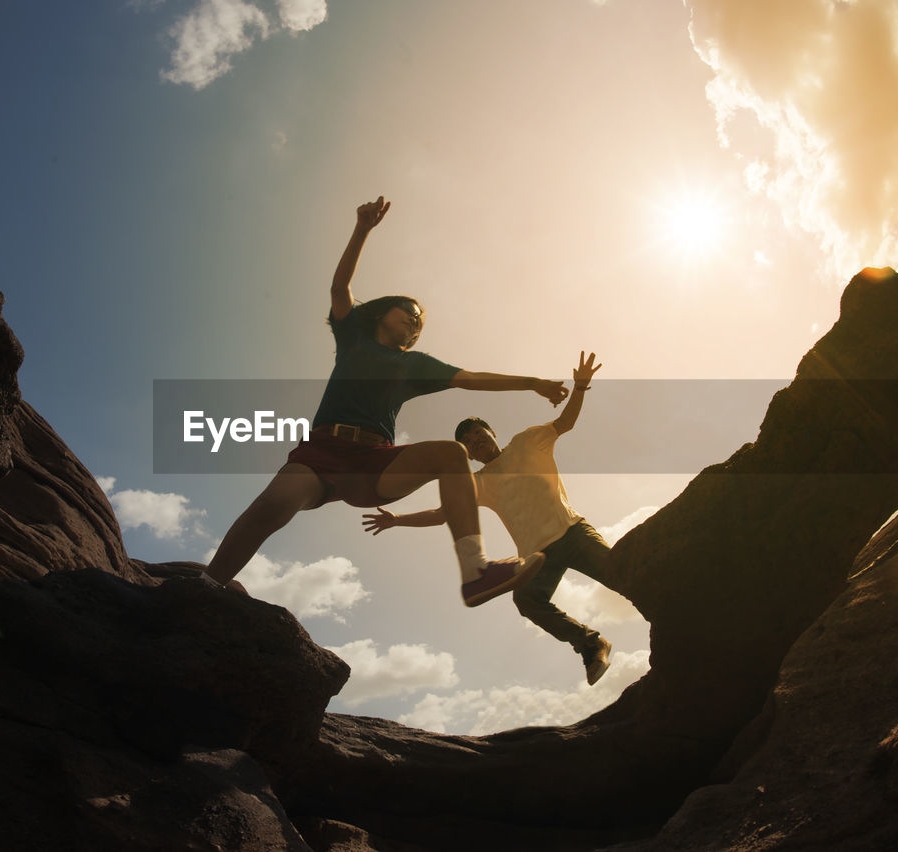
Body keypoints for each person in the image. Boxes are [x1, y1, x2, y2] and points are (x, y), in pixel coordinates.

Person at [204, 196, 571, 607]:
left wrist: (533, 382)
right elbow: (340, 288)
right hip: (322, 454)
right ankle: (205, 585)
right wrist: (362, 229)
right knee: (272, 507)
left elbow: (473, 379)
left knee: (452, 454)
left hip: (374, 462)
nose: (415, 321)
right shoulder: (354, 340)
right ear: (382, 313)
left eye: (420, 322)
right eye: (409, 312)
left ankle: (475, 572)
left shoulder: (415, 365)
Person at [362, 352, 615, 685]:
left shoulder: (527, 442)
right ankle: (591, 643)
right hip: (539, 556)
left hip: (573, 532)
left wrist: (580, 387)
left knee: (621, 573)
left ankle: (672, 608)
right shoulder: (477, 482)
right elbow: (443, 515)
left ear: (492, 432)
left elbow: (565, 423)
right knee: (526, 600)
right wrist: (397, 519)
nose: (476, 442)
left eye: (479, 434)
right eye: (468, 443)